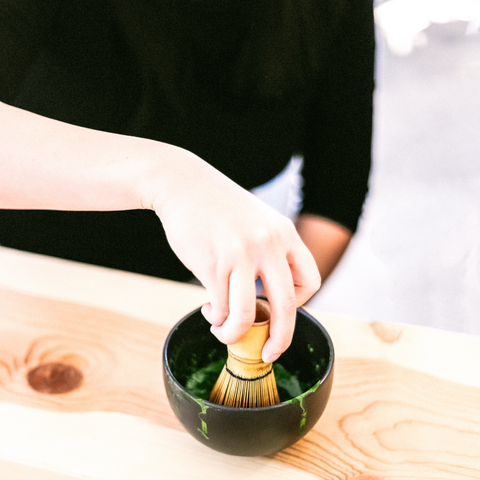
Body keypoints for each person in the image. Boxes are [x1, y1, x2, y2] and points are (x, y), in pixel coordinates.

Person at [0, 0, 375, 359]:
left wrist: (255, 312)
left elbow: (335, 197)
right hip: (15, 278)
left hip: (168, 305)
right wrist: (165, 177)